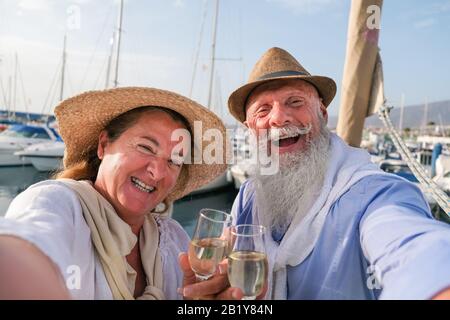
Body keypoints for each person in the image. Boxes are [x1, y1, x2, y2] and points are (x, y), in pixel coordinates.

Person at [178, 47, 450, 300]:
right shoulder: (249, 197)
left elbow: (416, 250)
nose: (278, 118)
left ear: (321, 112)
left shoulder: (373, 195)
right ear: (250, 129)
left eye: (294, 102)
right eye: (263, 110)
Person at [0, 87, 227, 299]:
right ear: (103, 144)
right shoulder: (58, 204)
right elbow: (22, 248)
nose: (157, 172)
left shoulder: (173, 239)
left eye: (174, 161)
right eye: (146, 147)